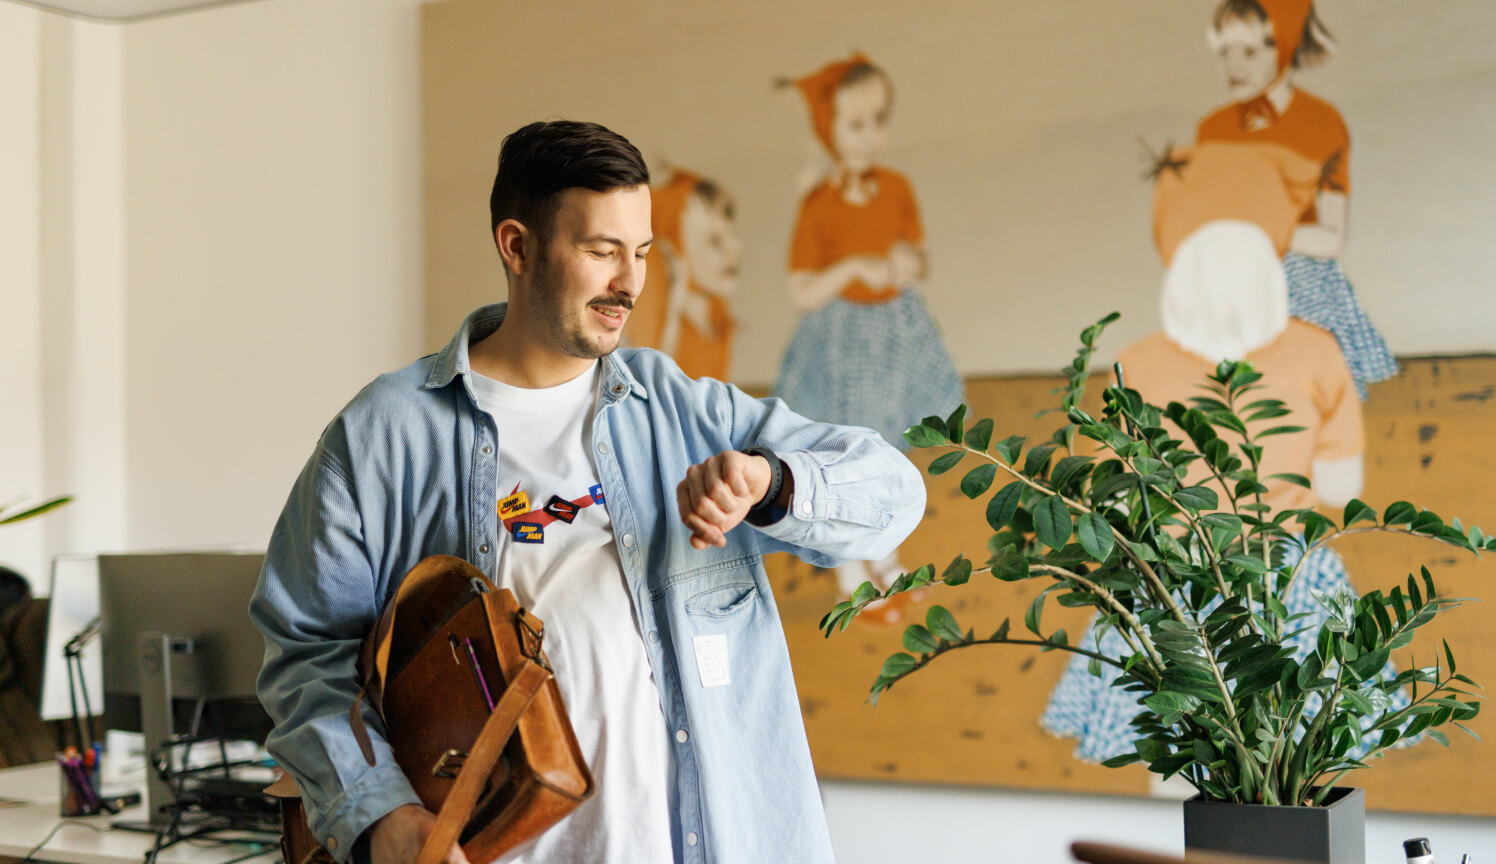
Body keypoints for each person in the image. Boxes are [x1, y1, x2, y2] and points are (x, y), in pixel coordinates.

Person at [250, 120, 924, 864]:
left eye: (640, 253)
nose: (628, 283)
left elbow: (894, 493)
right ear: (517, 246)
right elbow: (307, 656)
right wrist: (380, 814)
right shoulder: (382, 435)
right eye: (602, 252)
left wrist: (770, 481)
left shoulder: (690, 414)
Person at [1040, 142, 1405, 764]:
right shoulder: (1319, 352)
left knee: (1178, 762)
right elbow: (1341, 490)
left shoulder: (1138, 361)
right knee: (1303, 765)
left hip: (1169, 589)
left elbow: (1125, 500)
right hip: (1292, 582)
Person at [774, 53, 962, 616]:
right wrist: (851, 267)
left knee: (885, 450)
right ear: (828, 130)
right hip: (841, 348)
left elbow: (919, 256)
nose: (870, 135)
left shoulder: (896, 188)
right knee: (842, 451)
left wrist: (908, 259)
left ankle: (885, 549)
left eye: (879, 119)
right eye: (856, 123)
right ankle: (848, 563)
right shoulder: (820, 205)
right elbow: (800, 290)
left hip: (895, 340)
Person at [1198, 0, 1397, 400]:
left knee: (1304, 411)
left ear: (1286, 47)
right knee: (1234, 415)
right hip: (1236, 288)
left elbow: (1331, 239)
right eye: (1224, 52)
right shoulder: (1213, 130)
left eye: (1250, 51)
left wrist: (1264, 232)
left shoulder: (1321, 123)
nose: (1233, 65)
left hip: (1304, 291)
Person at [620, 168, 741, 380]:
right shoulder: (654, 317)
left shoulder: (717, 317)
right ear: (671, 252)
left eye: (731, 234)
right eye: (714, 241)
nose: (735, 247)